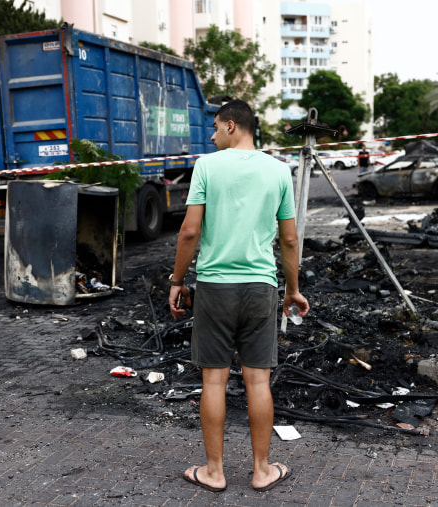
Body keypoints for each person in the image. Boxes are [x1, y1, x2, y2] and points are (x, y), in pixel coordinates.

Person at [168, 99, 309, 493]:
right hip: (261, 287)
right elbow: (290, 238)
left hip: (214, 287)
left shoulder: (208, 167)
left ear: (232, 126)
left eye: (215, 127)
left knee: (213, 382)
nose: (211, 136)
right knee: (257, 381)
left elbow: (189, 232)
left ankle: (214, 472)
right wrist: (293, 290)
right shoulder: (280, 171)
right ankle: (262, 470)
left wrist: (177, 280)